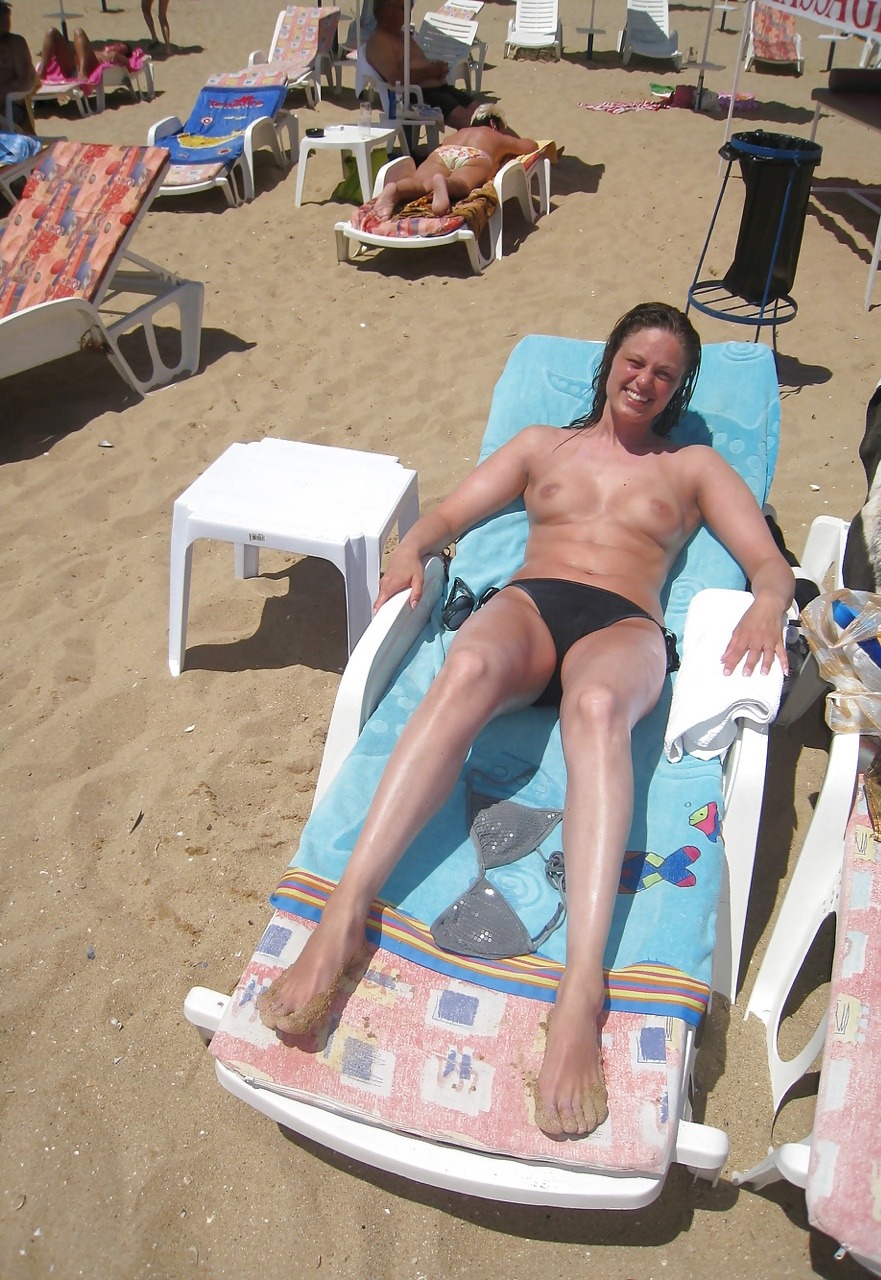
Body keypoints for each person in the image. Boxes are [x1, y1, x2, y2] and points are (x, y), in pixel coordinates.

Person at [257, 302, 795, 1139]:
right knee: (466, 667)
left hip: (625, 625)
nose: (645, 381)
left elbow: (767, 560)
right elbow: (449, 517)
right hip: (532, 605)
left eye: (664, 373)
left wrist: (768, 602)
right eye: (635, 362)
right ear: (610, 361)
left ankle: (579, 991)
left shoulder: (692, 465)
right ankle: (345, 912)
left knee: (599, 707)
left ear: (680, 387)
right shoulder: (543, 444)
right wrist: (414, 548)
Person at [354, 105, 540, 223]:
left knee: (421, 183)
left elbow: (442, 147)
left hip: (444, 152)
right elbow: (530, 146)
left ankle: (397, 189)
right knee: (463, 182)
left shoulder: (456, 134)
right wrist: (505, 139)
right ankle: (445, 183)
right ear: (493, 123)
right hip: (474, 156)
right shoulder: (495, 135)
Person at [366, 0, 479, 129]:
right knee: (475, 123)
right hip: (420, 96)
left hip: (441, 89)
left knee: (488, 115)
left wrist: (437, 70)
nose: (408, 13)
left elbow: (418, 63)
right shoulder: (379, 42)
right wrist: (431, 72)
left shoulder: (402, 36)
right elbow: (396, 78)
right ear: (387, 10)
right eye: (403, 8)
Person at [37, 26, 135, 85]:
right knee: (52, 32)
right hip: (71, 66)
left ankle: (82, 73)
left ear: (123, 53)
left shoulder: (113, 57)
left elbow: (128, 62)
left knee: (78, 31)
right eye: (117, 43)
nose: (116, 45)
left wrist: (116, 55)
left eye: (119, 46)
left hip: (88, 69)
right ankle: (41, 73)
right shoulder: (96, 51)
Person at [0, 1, 38, 134]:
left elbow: (25, 81)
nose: (7, 16)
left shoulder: (16, 43)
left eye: (7, 12)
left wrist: (2, 93)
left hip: (12, 106)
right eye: (2, 13)